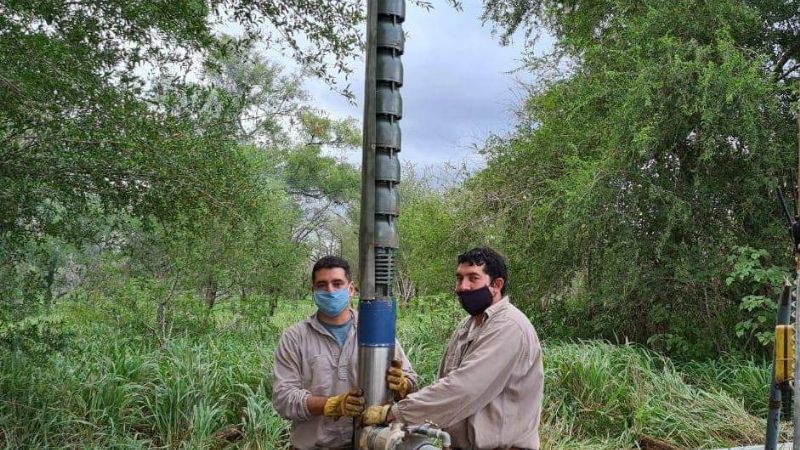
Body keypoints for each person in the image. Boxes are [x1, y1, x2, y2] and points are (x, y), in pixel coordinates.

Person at [361, 247, 544, 450]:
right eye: (459, 278)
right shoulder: (468, 325)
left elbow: (463, 388)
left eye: (473, 278)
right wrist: (407, 398)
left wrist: (394, 413)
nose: (462, 287)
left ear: (496, 285)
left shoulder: (509, 326)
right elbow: (444, 384)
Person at [272, 255, 418, 450]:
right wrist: (331, 405)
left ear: (351, 289)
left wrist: (402, 385)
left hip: (370, 443)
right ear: (313, 291)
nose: (330, 290)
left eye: (337, 283)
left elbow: (411, 383)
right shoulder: (295, 337)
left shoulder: (376, 330)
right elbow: (283, 399)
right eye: (322, 285)